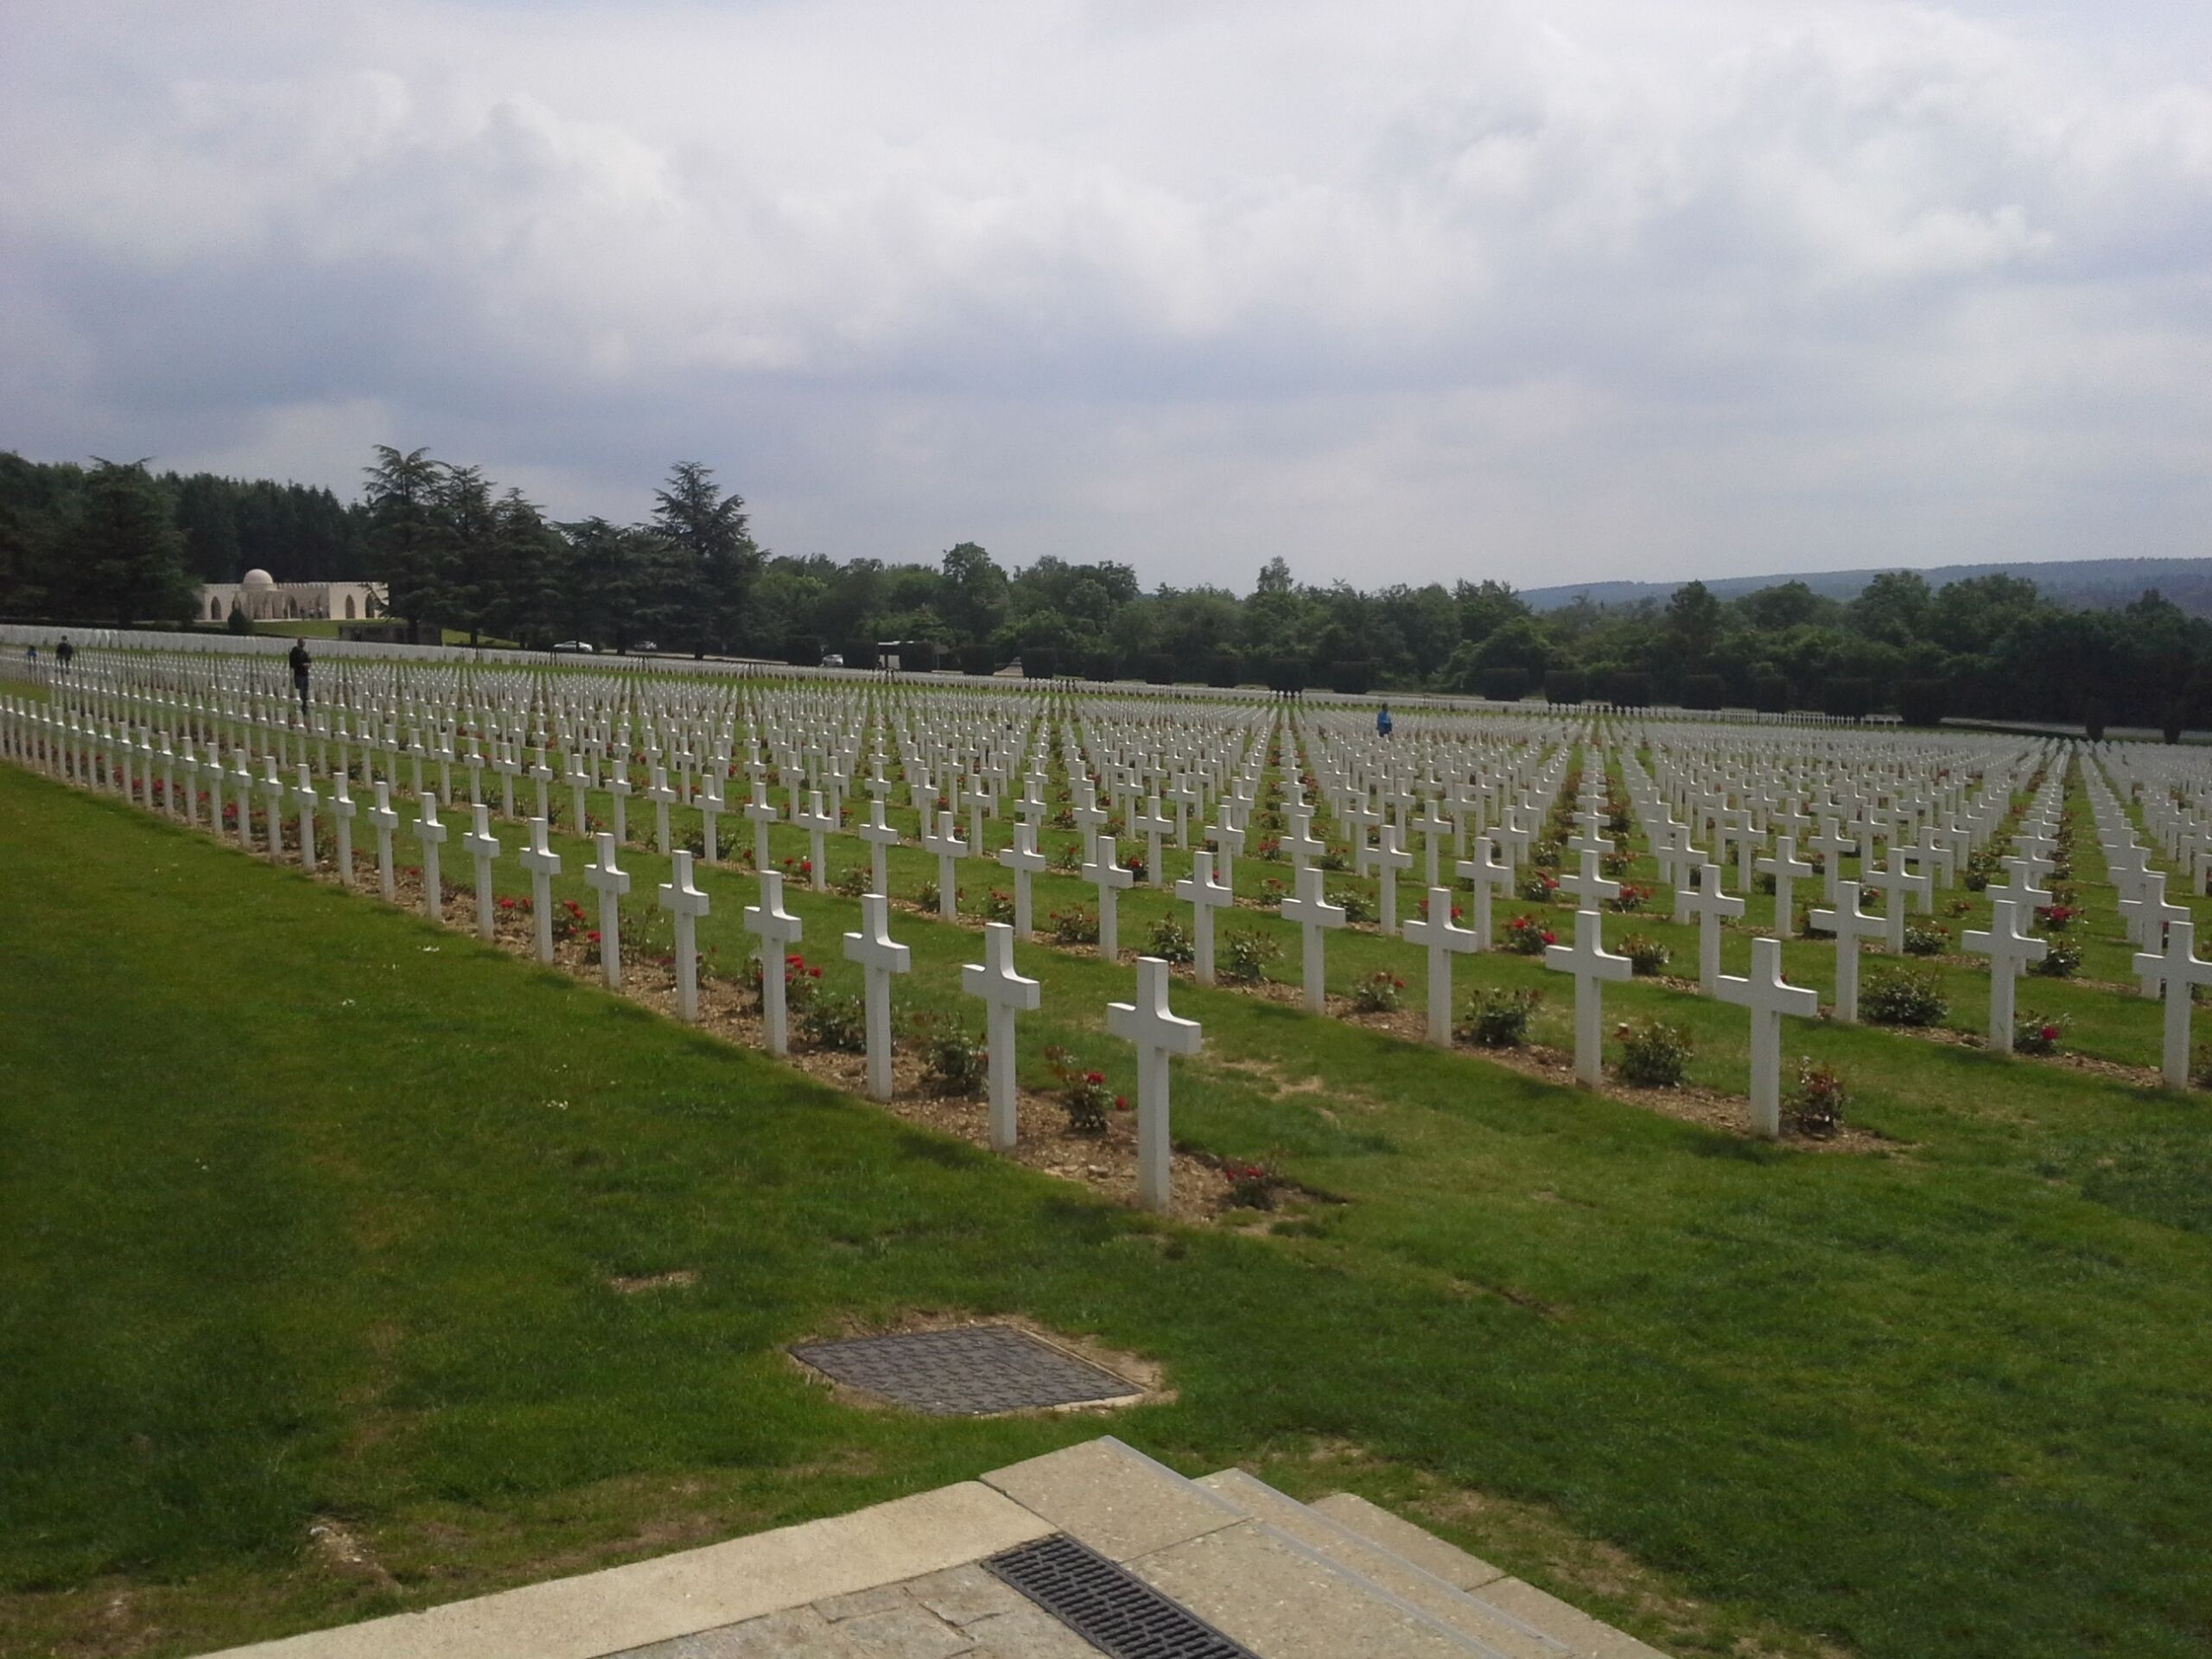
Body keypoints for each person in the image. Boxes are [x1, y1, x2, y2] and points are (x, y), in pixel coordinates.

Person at [289, 637, 311, 715]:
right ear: (299, 643)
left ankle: (304, 709)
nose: (303, 644)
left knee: (305, 694)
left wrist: (307, 664)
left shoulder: (304, 653)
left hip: (305, 675)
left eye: (304, 643)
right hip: (298, 675)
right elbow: (293, 664)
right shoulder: (294, 652)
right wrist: (302, 665)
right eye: (302, 642)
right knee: (300, 693)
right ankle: (298, 709)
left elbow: (309, 661)